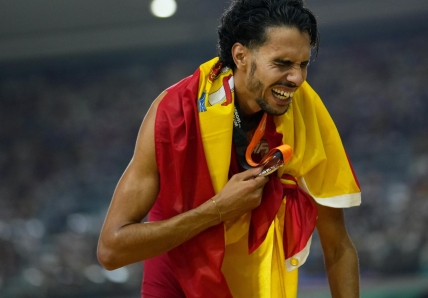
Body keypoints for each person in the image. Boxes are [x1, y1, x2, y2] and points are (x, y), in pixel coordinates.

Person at [97, 0, 362, 297]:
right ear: (241, 56)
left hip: (255, 276)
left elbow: (338, 246)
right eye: (282, 63)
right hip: (180, 274)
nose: (297, 78)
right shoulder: (175, 113)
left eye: (303, 64)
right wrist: (217, 210)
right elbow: (111, 249)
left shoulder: (304, 110)